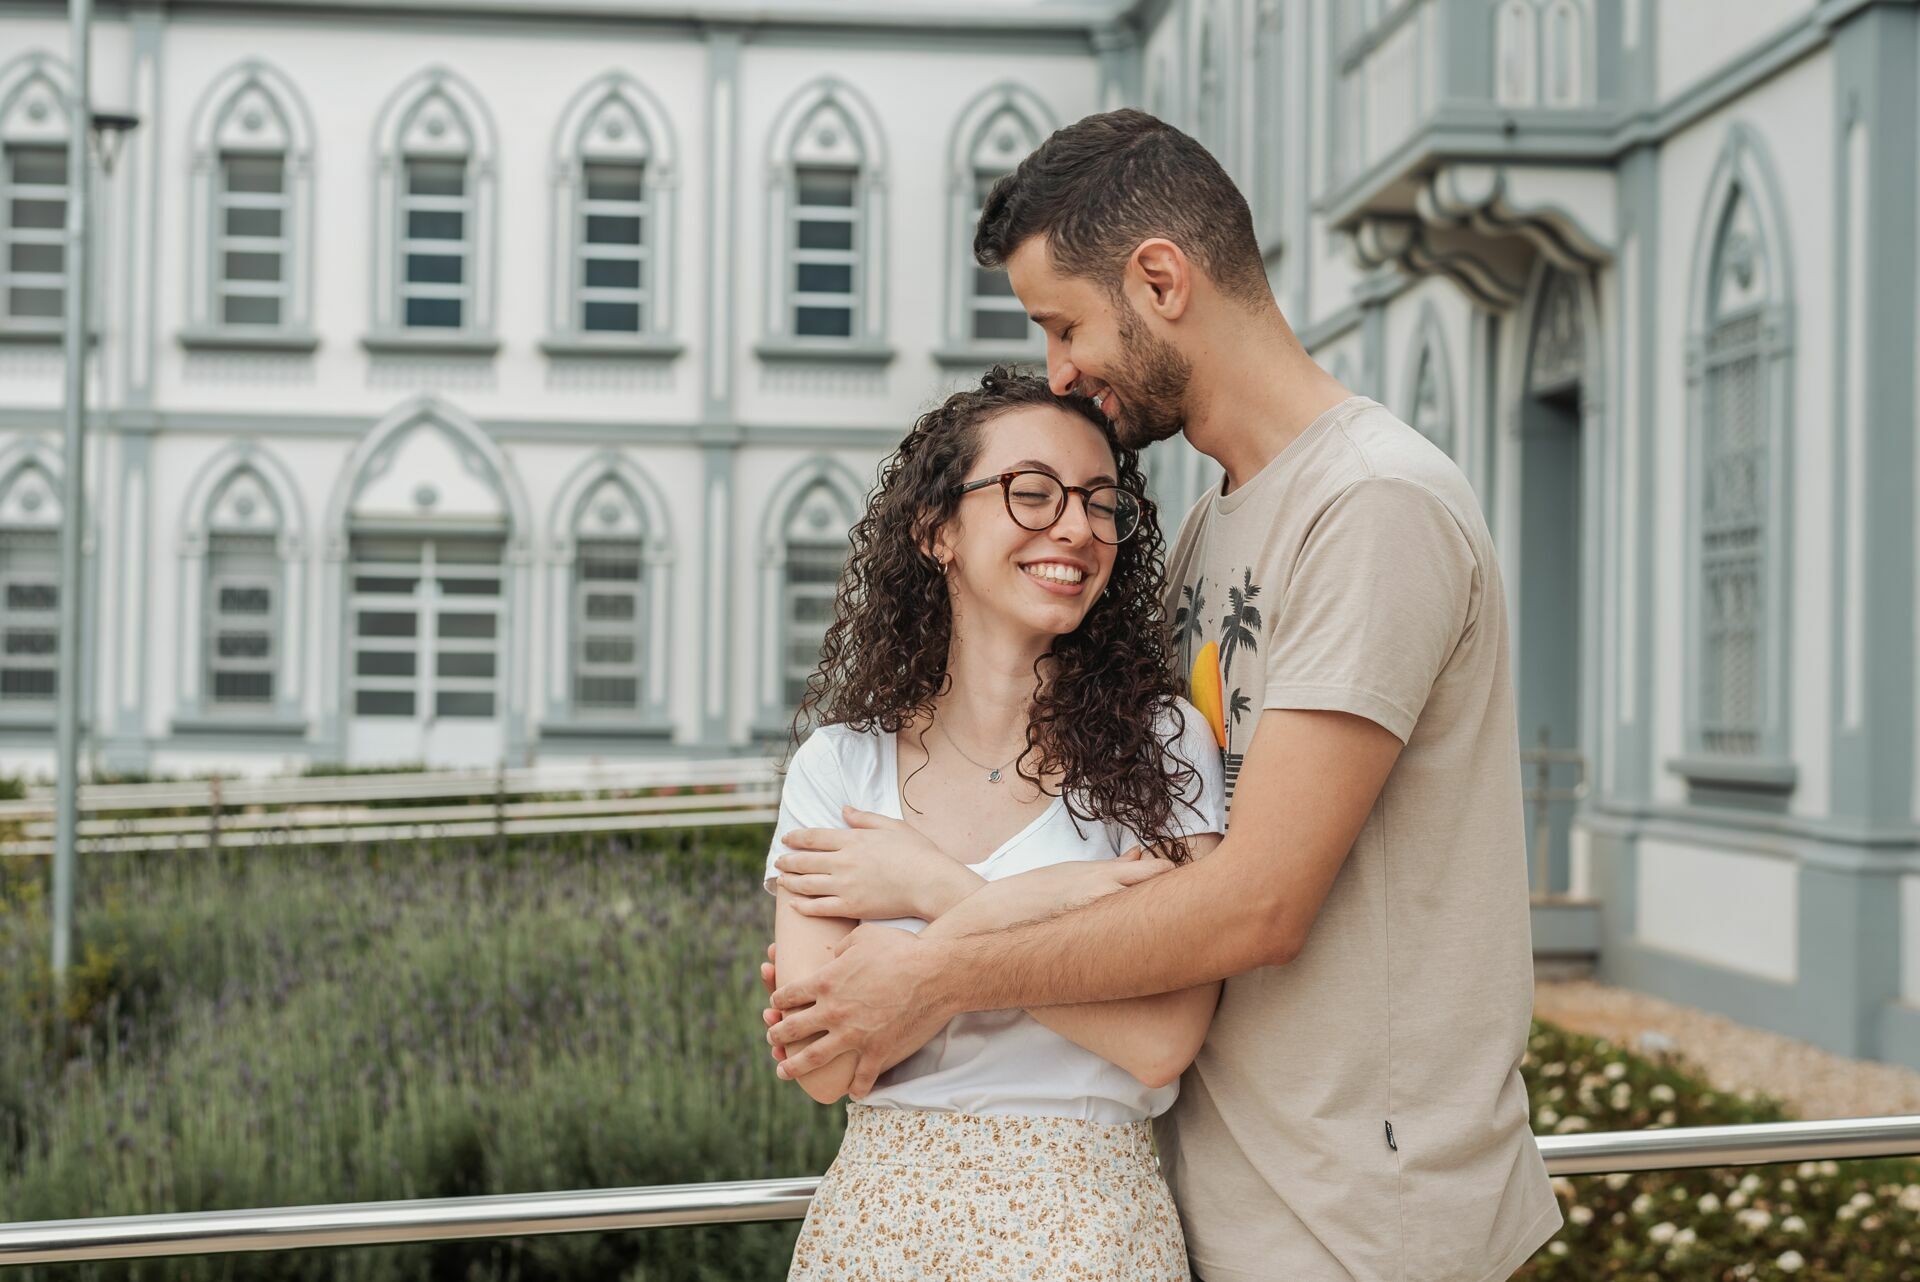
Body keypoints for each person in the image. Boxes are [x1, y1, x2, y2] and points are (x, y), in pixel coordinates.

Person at [766, 109, 1561, 1282]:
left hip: (1354, 1210)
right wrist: (1044, 897)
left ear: (1159, 279)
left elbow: (1253, 906)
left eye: (1064, 323)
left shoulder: (1373, 507)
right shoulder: (1205, 529)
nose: (1060, 370)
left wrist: (930, 953)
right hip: (1211, 1193)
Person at [763, 368, 1229, 1279]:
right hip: (879, 1231)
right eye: (1032, 493)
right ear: (938, 528)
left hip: (1088, 1234)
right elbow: (825, 1065)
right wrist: (1052, 904)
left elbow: (1159, 1040)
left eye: (1102, 503)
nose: (1076, 528)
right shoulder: (841, 765)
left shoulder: (1162, 745)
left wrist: (935, 894)